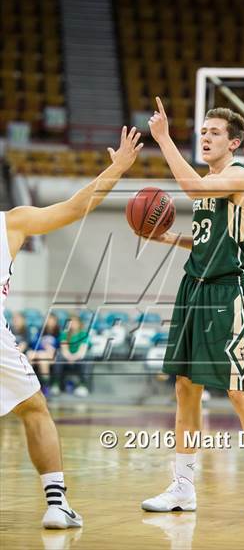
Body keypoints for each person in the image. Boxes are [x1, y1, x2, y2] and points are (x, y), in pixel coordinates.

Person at [141, 98, 244, 520]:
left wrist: (164, 139)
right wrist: (171, 240)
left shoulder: (238, 175)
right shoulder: (209, 180)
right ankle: (183, 487)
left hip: (228, 294)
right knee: (185, 388)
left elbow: (189, 189)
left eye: (214, 132)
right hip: (194, 290)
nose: (205, 137)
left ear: (234, 142)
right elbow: (206, 239)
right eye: (202, 131)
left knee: (238, 392)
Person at [0, 126, 142, 529]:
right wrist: (116, 169)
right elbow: (77, 207)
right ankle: (56, 504)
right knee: (34, 408)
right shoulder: (13, 222)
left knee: (34, 408)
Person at [52, 315, 90, 397]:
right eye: (71, 322)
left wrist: (74, 358)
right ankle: (56, 384)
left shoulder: (84, 334)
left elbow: (82, 350)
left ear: (79, 324)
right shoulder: (64, 334)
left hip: (78, 357)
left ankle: (82, 386)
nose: (73, 324)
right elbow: (64, 348)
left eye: (75, 322)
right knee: (58, 358)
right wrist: (69, 357)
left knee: (86, 359)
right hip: (66, 357)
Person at [28, 313, 61, 395]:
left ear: (55, 321)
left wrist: (51, 348)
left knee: (42, 357)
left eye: (51, 320)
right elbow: (34, 344)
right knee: (30, 354)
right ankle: (28, 383)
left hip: (52, 355)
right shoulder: (41, 331)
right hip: (40, 353)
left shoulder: (59, 332)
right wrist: (42, 346)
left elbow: (60, 345)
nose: (49, 322)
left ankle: (45, 385)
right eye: (48, 320)